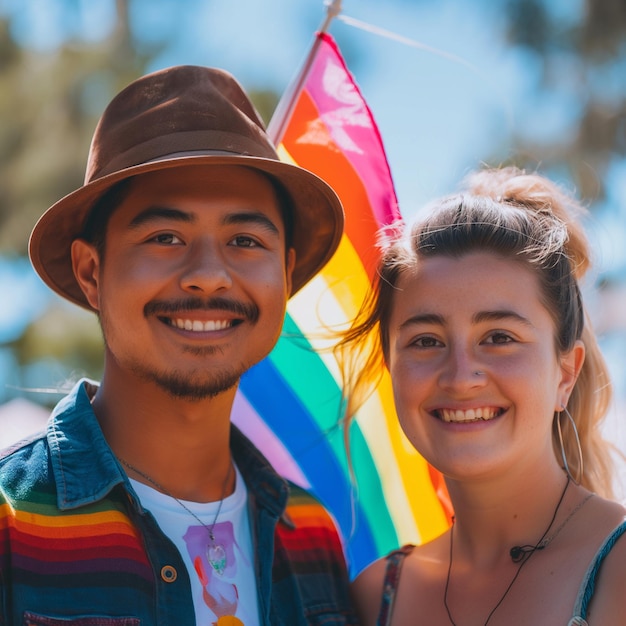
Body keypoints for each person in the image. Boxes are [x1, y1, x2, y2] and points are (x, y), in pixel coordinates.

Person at [0, 65, 359, 625]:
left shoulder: (313, 535)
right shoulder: (13, 520)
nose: (210, 276)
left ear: (285, 276)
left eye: (245, 240)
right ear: (91, 271)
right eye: (165, 237)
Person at [337, 166, 626, 625]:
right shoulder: (371, 600)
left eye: (499, 337)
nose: (460, 377)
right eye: (426, 340)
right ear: (392, 370)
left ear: (565, 374)